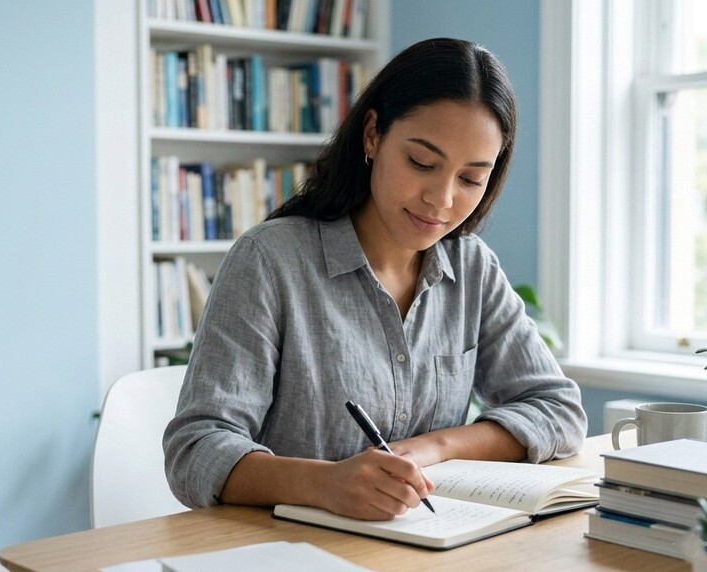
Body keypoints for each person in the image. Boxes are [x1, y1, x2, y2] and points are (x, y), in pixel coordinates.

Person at [162, 37, 588, 522]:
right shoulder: (270, 260)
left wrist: (434, 448)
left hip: (425, 547)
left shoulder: (472, 268)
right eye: (422, 163)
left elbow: (557, 409)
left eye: (471, 179)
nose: (441, 199)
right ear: (372, 135)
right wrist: (326, 484)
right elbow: (195, 449)